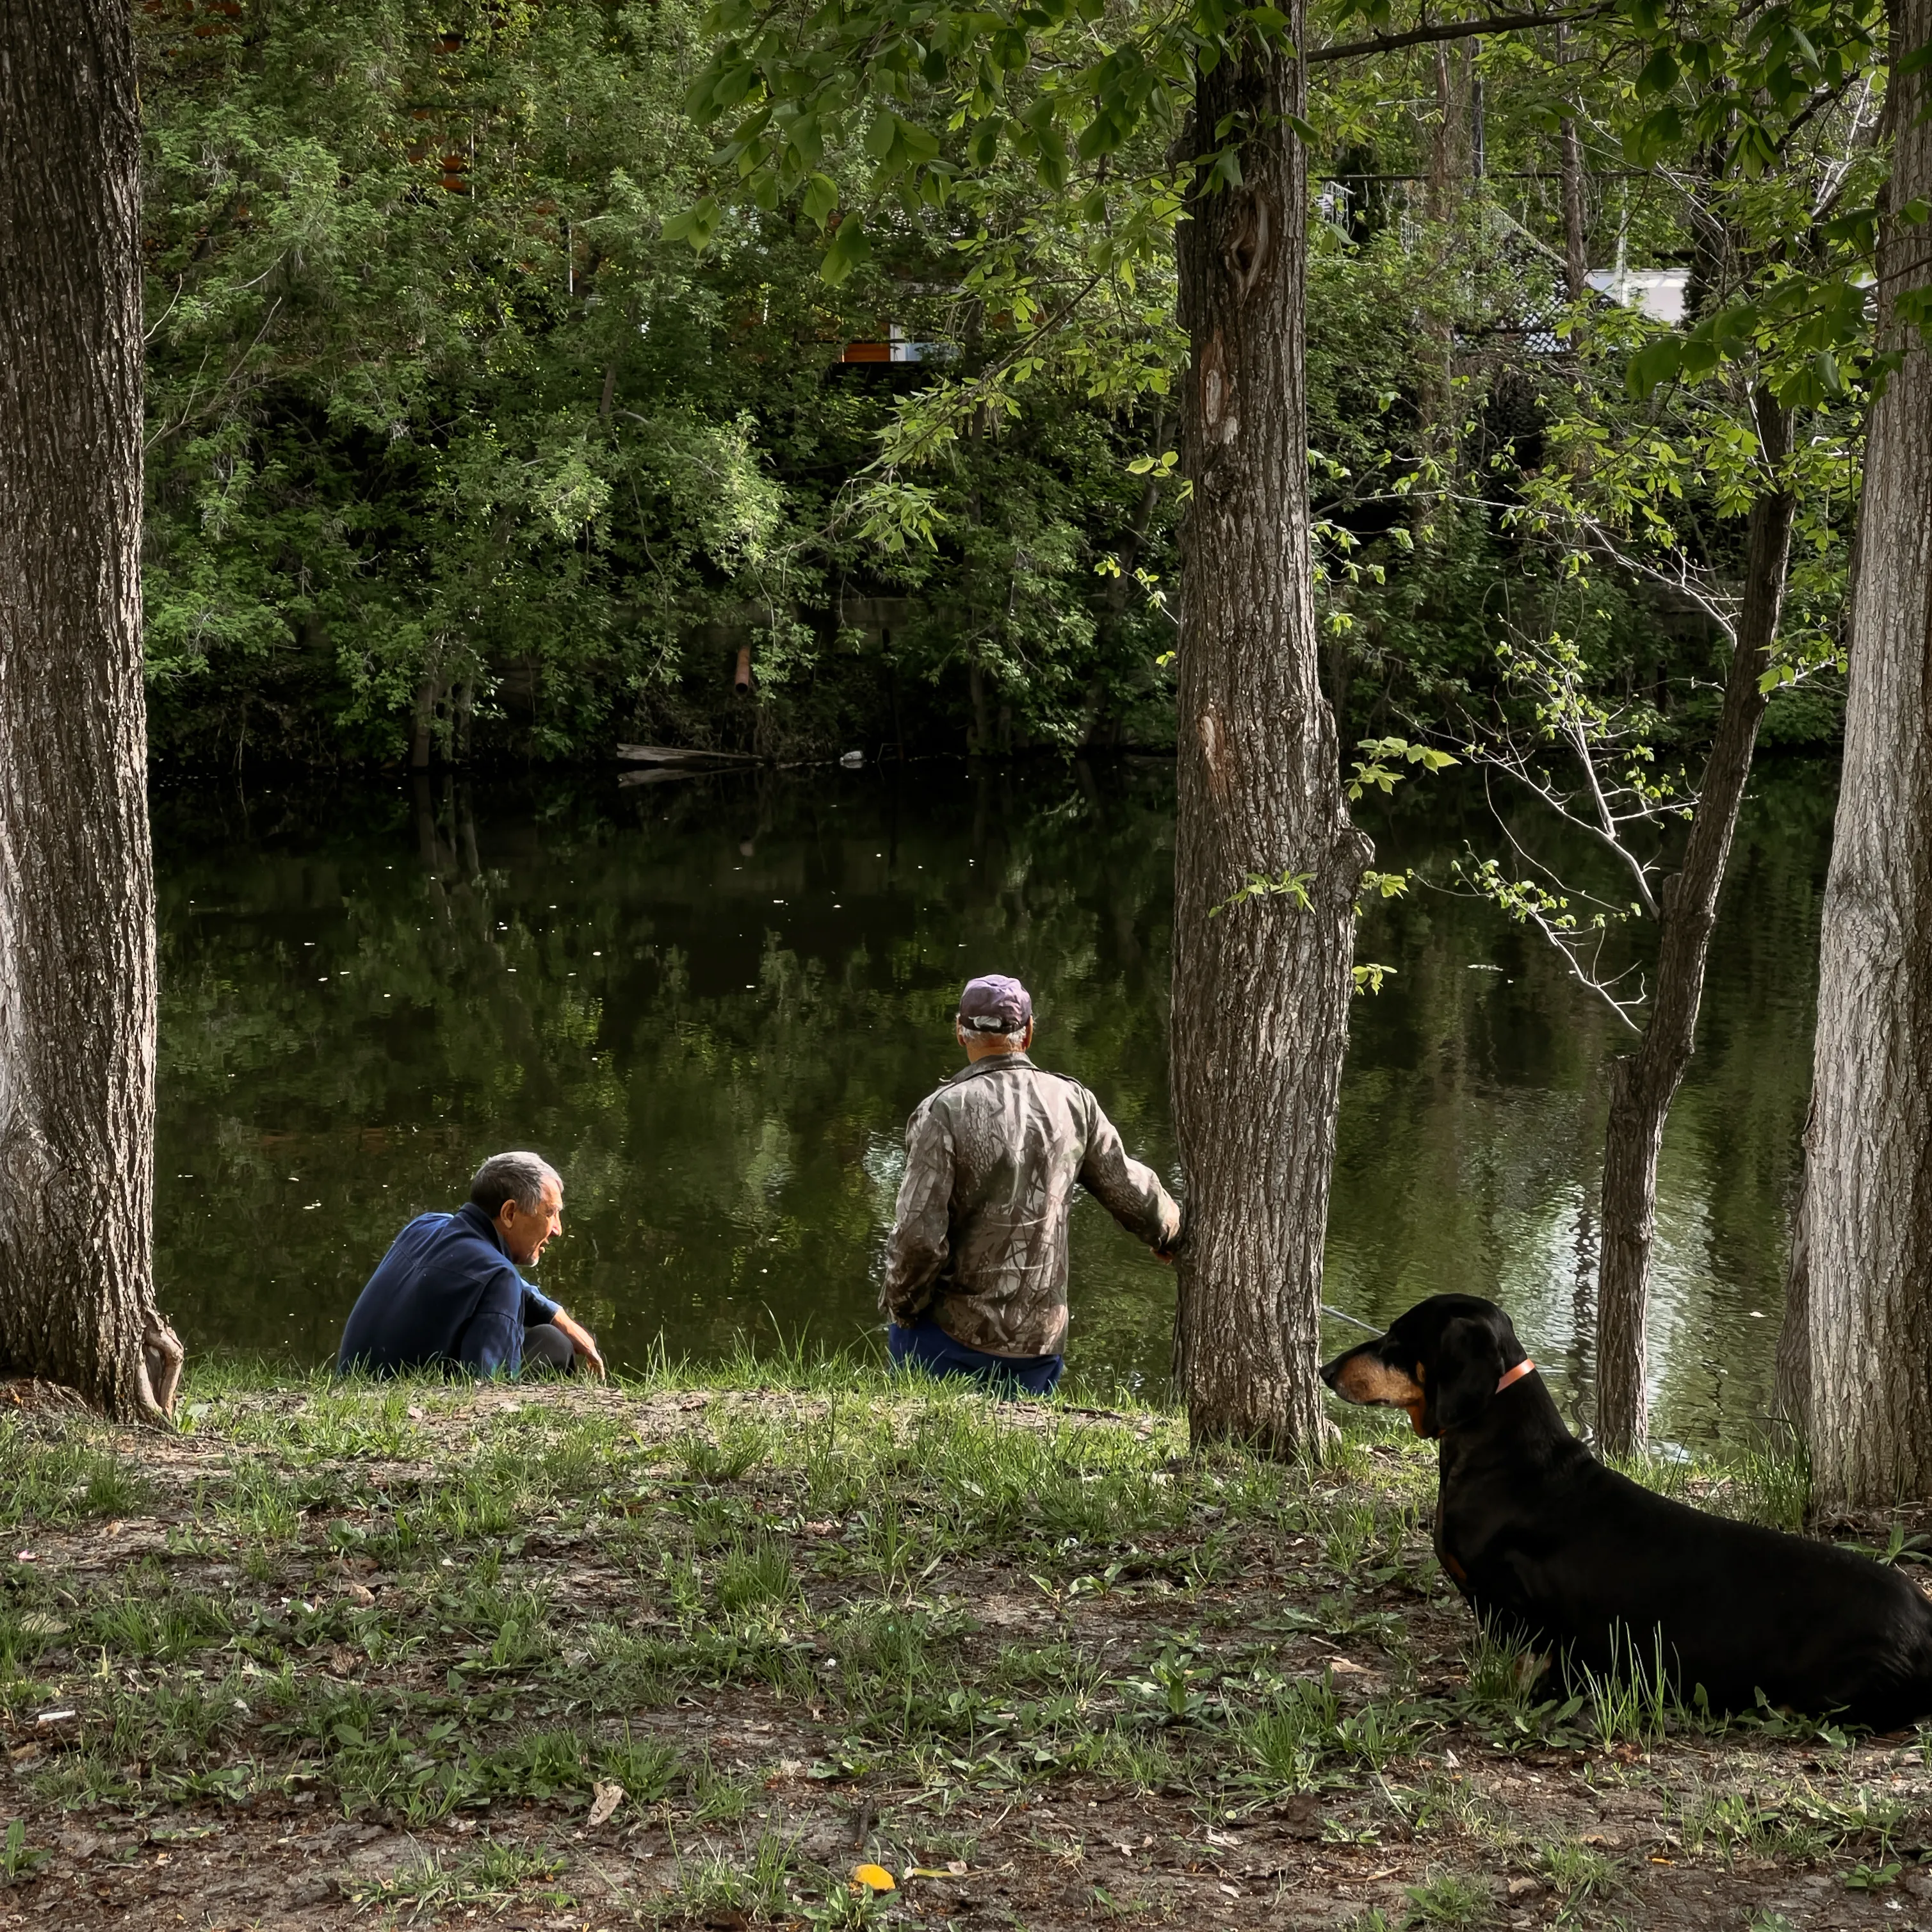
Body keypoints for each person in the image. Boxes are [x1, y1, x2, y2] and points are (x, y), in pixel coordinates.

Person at [882, 973, 1182, 1395]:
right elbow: (1127, 1187)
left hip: (950, 1338)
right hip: (1037, 1342)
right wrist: (1169, 1230)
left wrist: (903, 1306)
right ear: (1027, 1034)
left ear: (959, 1031)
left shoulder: (943, 1111)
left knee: (912, 1361)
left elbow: (919, 1238)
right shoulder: (1073, 1102)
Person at [336, 1151, 606, 1381]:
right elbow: (485, 1390)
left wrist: (557, 1316)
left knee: (552, 1334)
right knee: (554, 1345)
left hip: (354, 1389)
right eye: (550, 1213)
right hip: (410, 1417)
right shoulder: (500, 1278)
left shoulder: (424, 1226)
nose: (558, 1229)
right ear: (509, 1214)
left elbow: (485, 1270)